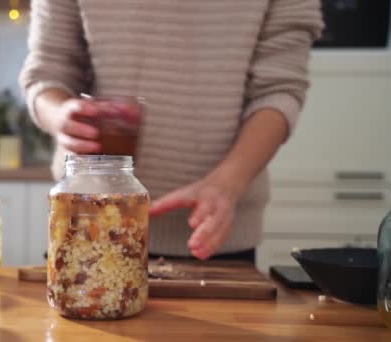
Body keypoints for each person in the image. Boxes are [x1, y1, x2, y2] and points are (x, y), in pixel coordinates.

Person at [19, 0, 323, 262]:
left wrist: (225, 186)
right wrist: (60, 114)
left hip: (215, 236)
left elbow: (280, 90)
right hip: (89, 220)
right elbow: (47, 73)